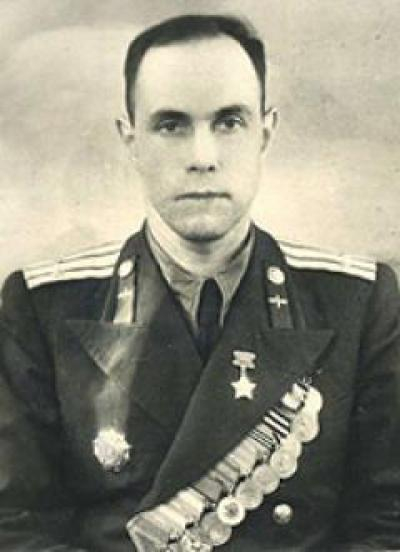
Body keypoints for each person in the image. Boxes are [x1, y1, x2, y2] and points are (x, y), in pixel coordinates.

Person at [0, 13, 399, 552]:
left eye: (229, 122)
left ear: (265, 133)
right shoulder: (43, 308)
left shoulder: (357, 302)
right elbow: (16, 526)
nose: (202, 158)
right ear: (131, 140)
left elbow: (387, 522)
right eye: (171, 125)